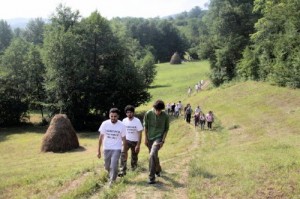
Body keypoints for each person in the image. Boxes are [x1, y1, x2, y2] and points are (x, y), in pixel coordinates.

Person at [97, 108, 127, 187]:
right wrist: (98, 151)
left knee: (114, 165)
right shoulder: (105, 124)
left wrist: (124, 150)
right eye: (112, 116)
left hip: (117, 148)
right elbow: (100, 137)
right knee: (107, 166)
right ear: (109, 116)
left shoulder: (122, 125)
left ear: (118, 116)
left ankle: (112, 181)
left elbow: (124, 139)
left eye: (115, 116)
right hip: (106, 148)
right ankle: (111, 174)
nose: (113, 118)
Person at [144, 100, 170, 184]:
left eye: (160, 110)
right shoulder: (148, 114)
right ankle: (158, 170)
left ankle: (151, 177)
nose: (158, 112)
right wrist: (145, 138)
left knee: (152, 154)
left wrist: (162, 141)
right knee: (154, 156)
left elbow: (166, 129)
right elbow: (145, 127)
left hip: (158, 138)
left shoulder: (165, 116)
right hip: (149, 138)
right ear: (154, 108)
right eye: (157, 110)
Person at [118, 105, 143, 177]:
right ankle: (122, 170)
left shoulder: (137, 121)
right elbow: (122, 131)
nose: (129, 114)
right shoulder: (124, 120)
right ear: (126, 113)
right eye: (128, 112)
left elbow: (140, 133)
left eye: (131, 112)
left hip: (135, 141)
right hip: (126, 141)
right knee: (123, 153)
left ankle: (134, 169)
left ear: (133, 113)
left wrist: (138, 145)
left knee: (134, 157)